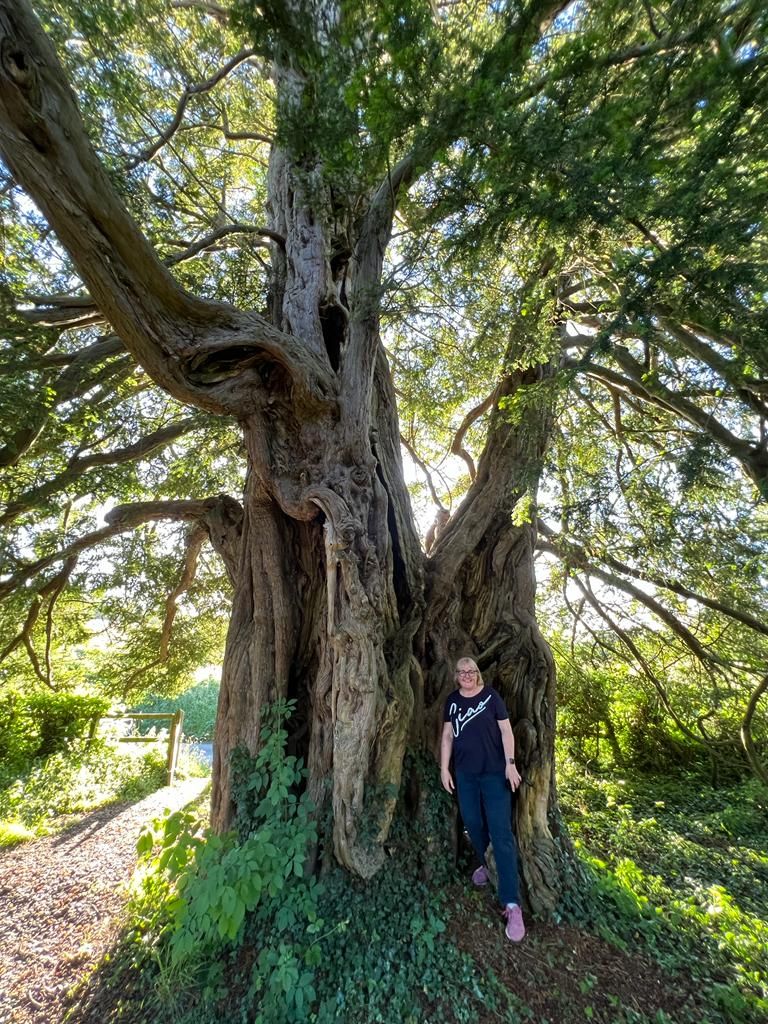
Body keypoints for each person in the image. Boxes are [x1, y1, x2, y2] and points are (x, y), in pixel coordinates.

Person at [440, 657, 525, 942]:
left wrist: (510, 764)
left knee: (501, 833)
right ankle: (487, 865)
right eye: (461, 671)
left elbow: (505, 730)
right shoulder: (452, 701)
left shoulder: (490, 697)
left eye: (471, 671)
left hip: (493, 774)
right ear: (456, 676)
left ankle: (512, 903)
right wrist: (443, 768)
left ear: (478, 674)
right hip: (465, 775)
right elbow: (448, 736)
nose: (466, 675)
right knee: (473, 824)